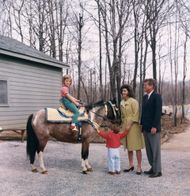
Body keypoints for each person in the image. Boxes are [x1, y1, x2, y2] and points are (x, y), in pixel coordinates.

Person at [120, 85, 144, 175]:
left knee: (137, 147)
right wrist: (124, 125)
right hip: (125, 125)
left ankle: (139, 166)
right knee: (129, 146)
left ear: (129, 92)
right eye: (122, 91)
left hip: (133, 126)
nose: (123, 93)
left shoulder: (134, 101)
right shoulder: (121, 102)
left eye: (125, 91)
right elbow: (122, 116)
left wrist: (129, 125)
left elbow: (136, 115)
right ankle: (131, 165)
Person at [141, 78, 162, 178]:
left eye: (146, 85)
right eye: (144, 85)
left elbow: (158, 113)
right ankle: (153, 167)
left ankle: (158, 171)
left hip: (153, 129)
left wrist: (154, 126)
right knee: (149, 150)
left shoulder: (157, 96)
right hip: (146, 128)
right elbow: (143, 112)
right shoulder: (145, 97)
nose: (144, 87)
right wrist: (142, 125)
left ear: (151, 86)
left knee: (155, 150)